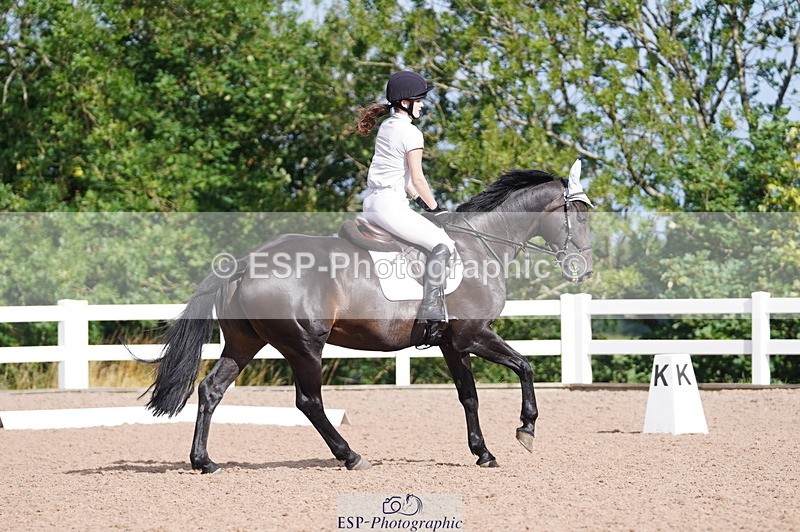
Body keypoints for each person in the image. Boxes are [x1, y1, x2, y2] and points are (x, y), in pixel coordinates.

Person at [352, 71, 456, 344]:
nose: (422, 105)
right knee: (442, 244)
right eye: (418, 100)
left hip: (373, 202)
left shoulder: (387, 126)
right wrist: (436, 210)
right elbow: (419, 179)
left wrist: (423, 203)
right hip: (390, 206)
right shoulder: (411, 132)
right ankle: (431, 310)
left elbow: (408, 184)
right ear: (405, 103)